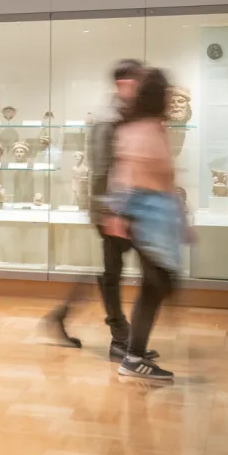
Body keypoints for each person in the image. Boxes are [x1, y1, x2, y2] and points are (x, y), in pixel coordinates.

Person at [40, 59, 157, 362]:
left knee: (114, 273)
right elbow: (103, 171)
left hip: (128, 209)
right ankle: (121, 338)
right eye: (138, 82)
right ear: (124, 84)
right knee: (114, 273)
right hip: (113, 210)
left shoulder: (126, 116)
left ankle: (69, 320)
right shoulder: (108, 119)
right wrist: (111, 213)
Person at [108, 66, 186, 382]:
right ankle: (133, 356)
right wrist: (117, 213)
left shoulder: (154, 127)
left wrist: (180, 215)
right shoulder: (138, 130)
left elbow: (165, 177)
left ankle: (134, 354)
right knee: (156, 284)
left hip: (159, 216)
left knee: (157, 285)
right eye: (168, 94)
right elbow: (125, 175)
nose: (172, 99)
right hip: (148, 217)